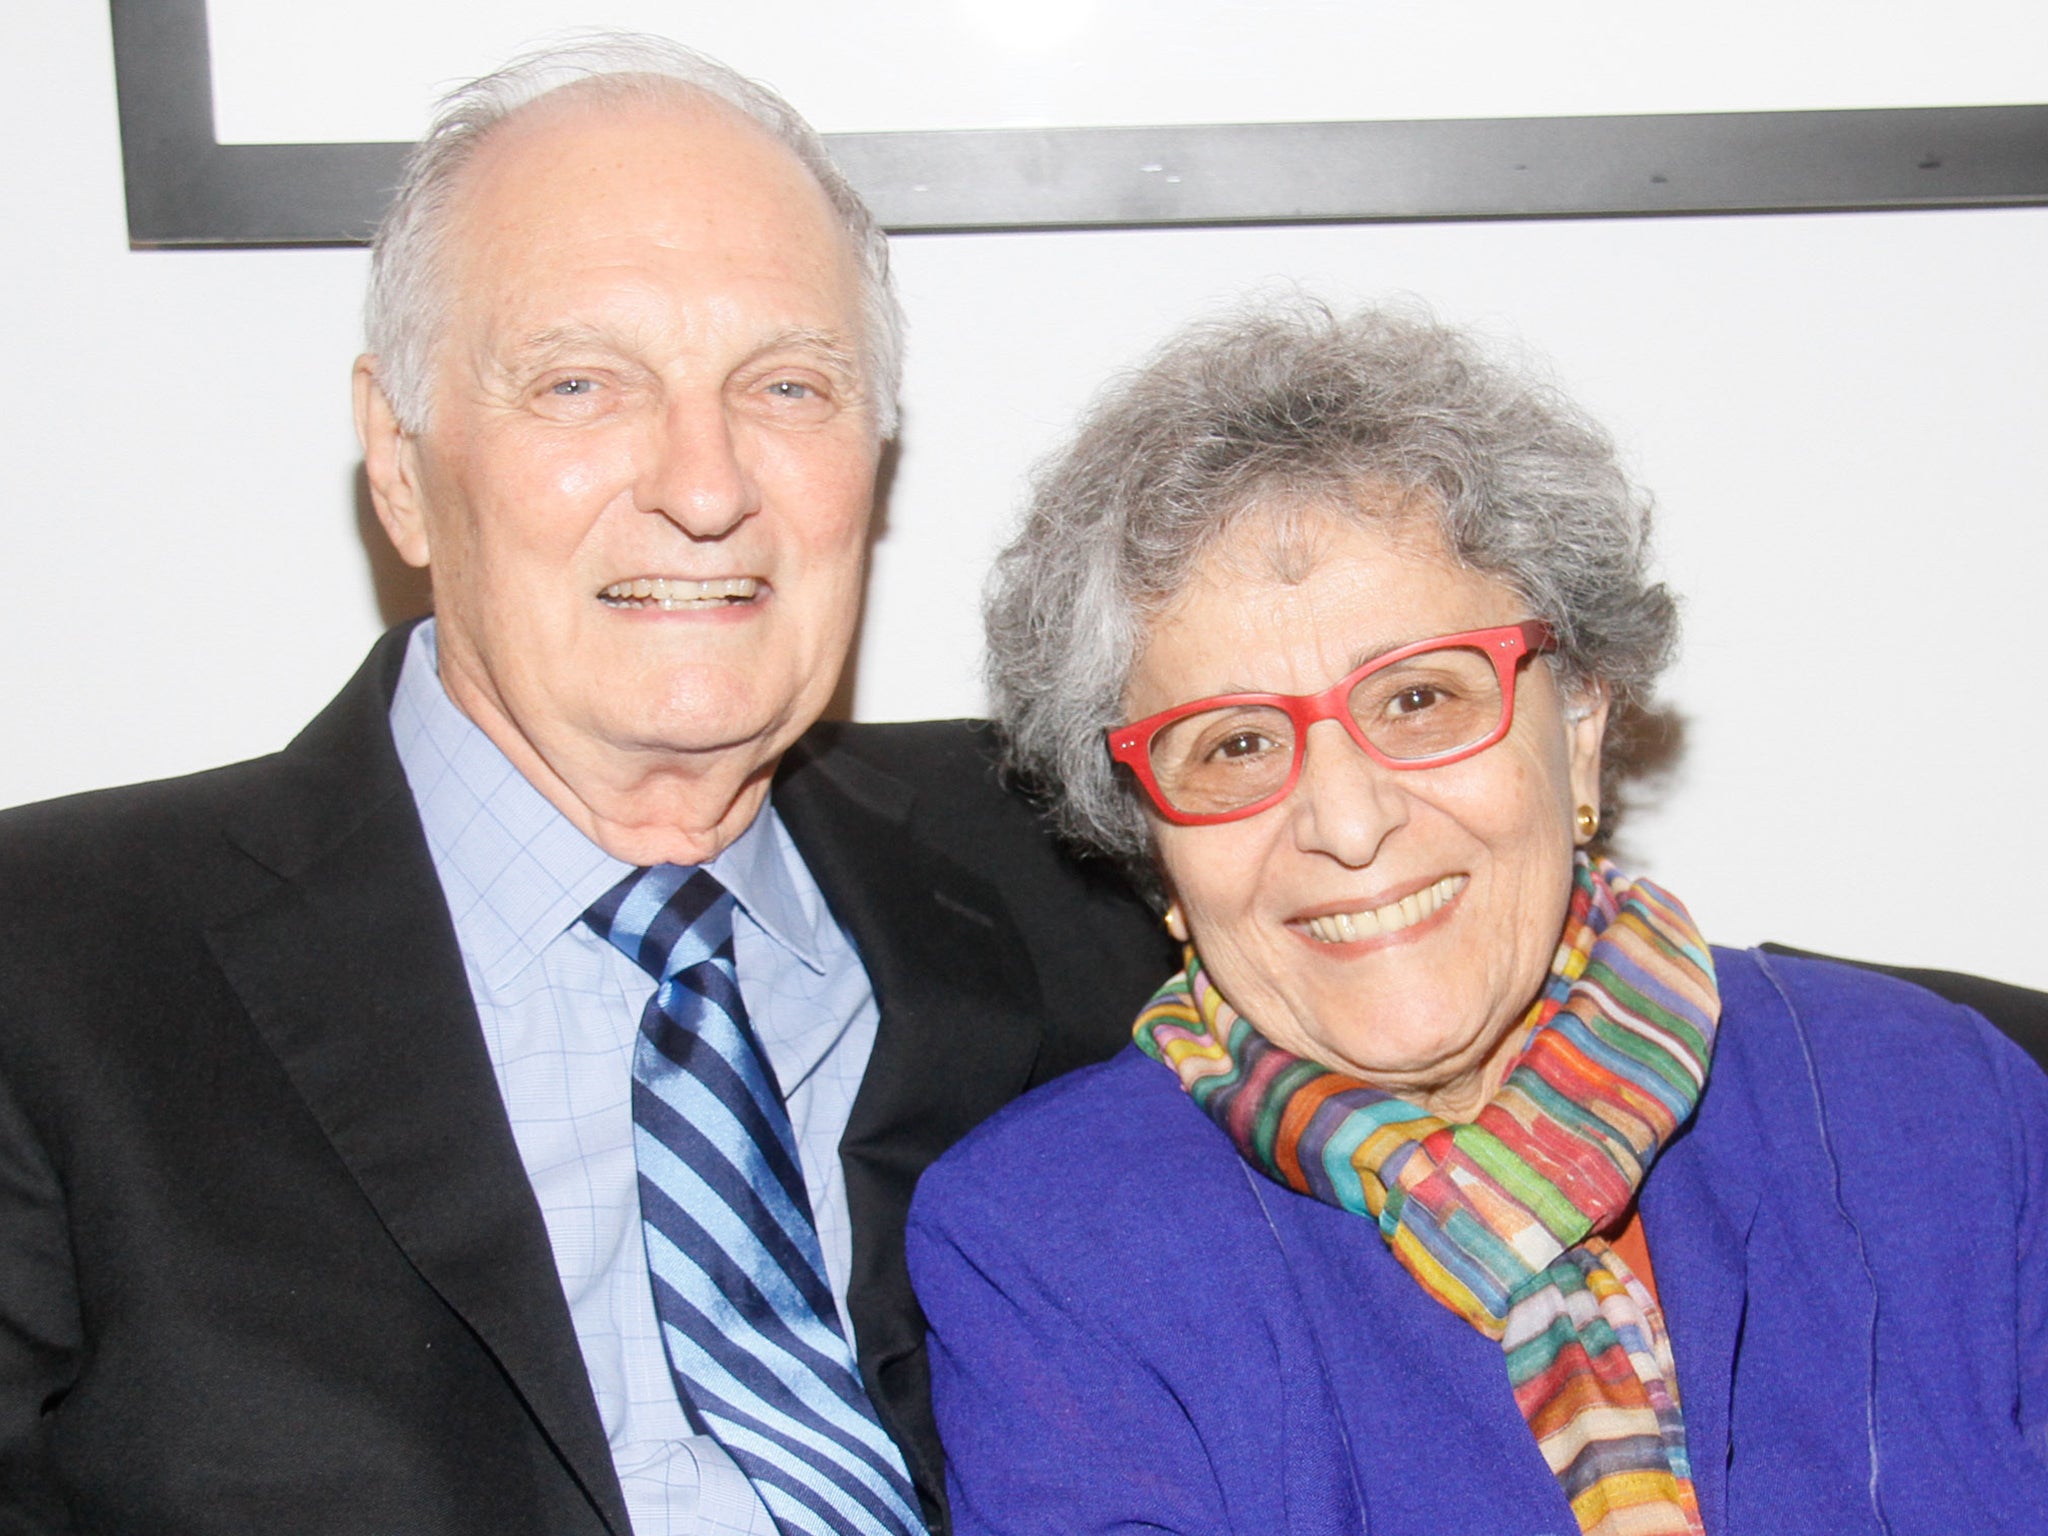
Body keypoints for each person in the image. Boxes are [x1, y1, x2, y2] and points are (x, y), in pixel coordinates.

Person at [0, 35, 1169, 1536]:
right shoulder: (51, 979)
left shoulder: (1083, 853)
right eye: (579, 383)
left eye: (789, 385)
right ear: (401, 463)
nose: (703, 484)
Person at [906, 302, 2048, 1535]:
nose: (1345, 823)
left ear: (1580, 727)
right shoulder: (1046, 1245)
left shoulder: (1938, 1107)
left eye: (1417, 698)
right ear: (1150, 835)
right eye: (1234, 743)